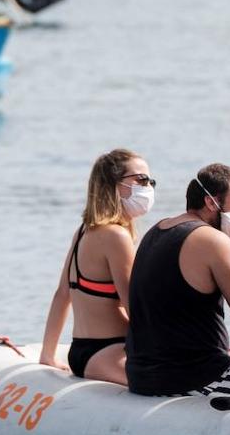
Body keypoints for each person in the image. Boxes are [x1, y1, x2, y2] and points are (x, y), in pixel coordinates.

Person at [125, 163, 230, 398]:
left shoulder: (157, 229)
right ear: (211, 202)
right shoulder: (213, 241)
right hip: (196, 377)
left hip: (140, 375)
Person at [40, 149, 153, 384]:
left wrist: (48, 354)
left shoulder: (84, 230)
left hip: (82, 351)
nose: (148, 187)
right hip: (111, 350)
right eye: (140, 180)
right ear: (114, 184)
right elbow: (135, 306)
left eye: (150, 181)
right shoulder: (116, 236)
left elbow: (63, 294)